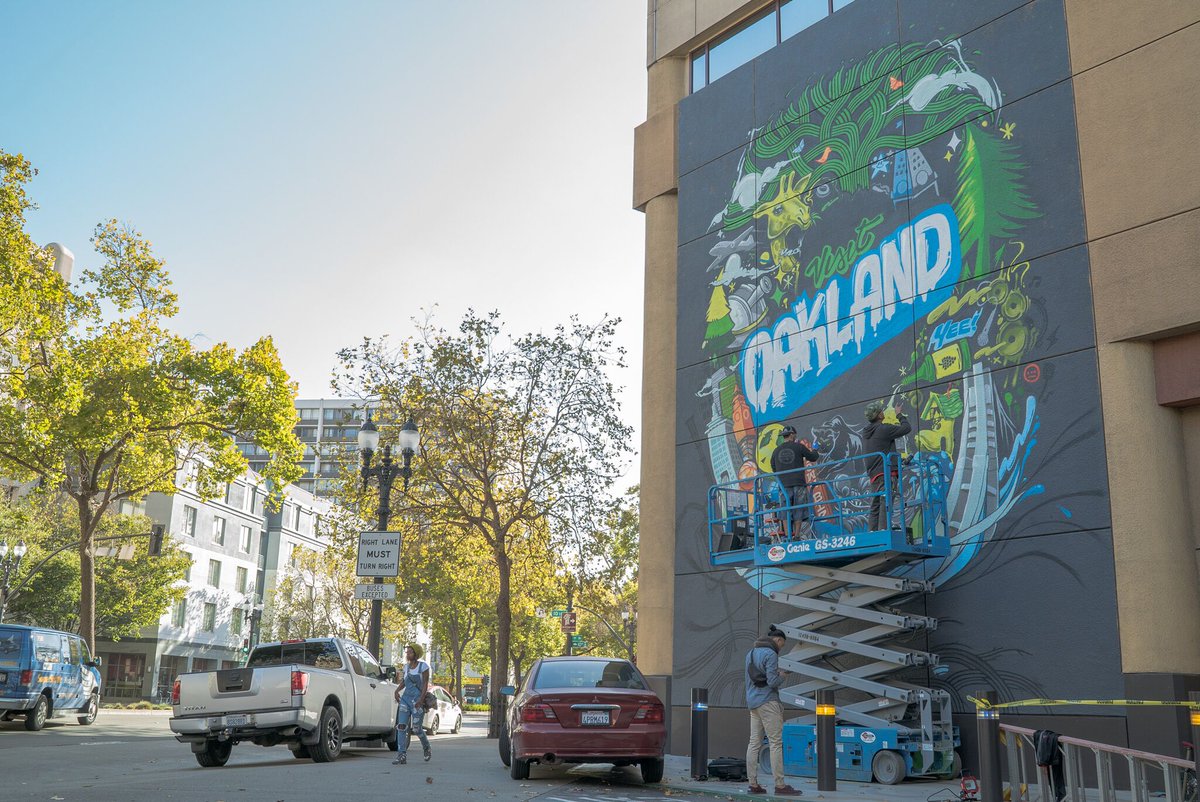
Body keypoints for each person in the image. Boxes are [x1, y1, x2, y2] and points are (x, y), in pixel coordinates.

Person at [745, 625, 801, 797]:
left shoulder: (750, 653)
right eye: (781, 645)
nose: (780, 648)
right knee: (775, 743)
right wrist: (783, 675)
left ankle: (753, 784)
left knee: (754, 743)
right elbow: (772, 682)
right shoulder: (770, 654)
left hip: (753, 703)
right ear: (777, 640)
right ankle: (780, 785)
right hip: (768, 702)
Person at [862, 401, 912, 531]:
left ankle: (873, 533)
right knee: (885, 502)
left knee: (876, 505)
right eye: (881, 411)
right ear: (879, 415)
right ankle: (884, 531)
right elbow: (906, 428)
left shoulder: (866, 433)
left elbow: (881, 448)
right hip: (886, 473)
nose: (883, 412)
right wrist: (899, 414)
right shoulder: (883, 429)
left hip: (874, 475)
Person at [770, 425, 821, 538]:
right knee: (799, 508)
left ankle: (788, 535)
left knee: (785, 509)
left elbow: (773, 467)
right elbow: (812, 457)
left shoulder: (776, 451)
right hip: (798, 483)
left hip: (784, 485)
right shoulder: (799, 447)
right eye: (794, 435)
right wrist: (815, 449)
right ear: (792, 434)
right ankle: (797, 535)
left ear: (784, 436)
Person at [392, 644, 432, 765]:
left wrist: (421, 699)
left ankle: (426, 747)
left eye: (410, 652)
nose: (407, 654)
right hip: (405, 699)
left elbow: (425, 684)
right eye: (407, 652)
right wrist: (397, 690)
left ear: (416, 654)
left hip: (417, 701)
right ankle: (401, 755)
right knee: (401, 726)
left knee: (416, 729)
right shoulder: (406, 667)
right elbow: (404, 682)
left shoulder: (423, 667)